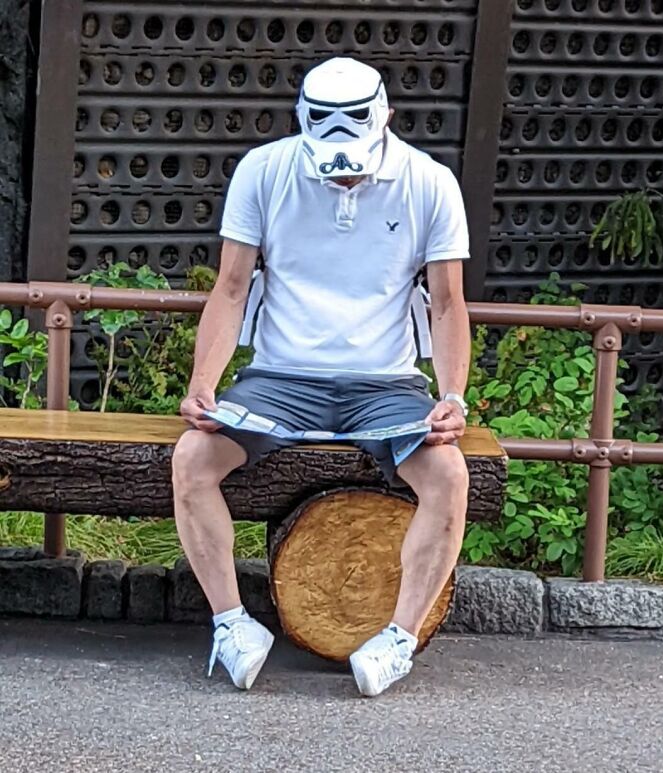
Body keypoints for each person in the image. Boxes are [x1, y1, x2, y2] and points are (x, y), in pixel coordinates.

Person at [172, 57, 471, 698]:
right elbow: (231, 287)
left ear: (384, 119)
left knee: (448, 474)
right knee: (193, 459)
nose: (343, 169)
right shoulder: (264, 170)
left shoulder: (429, 181)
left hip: (386, 384)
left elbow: (446, 302)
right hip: (280, 376)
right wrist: (204, 384)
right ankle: (231, 624)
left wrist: (451, 395)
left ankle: (399, 638)